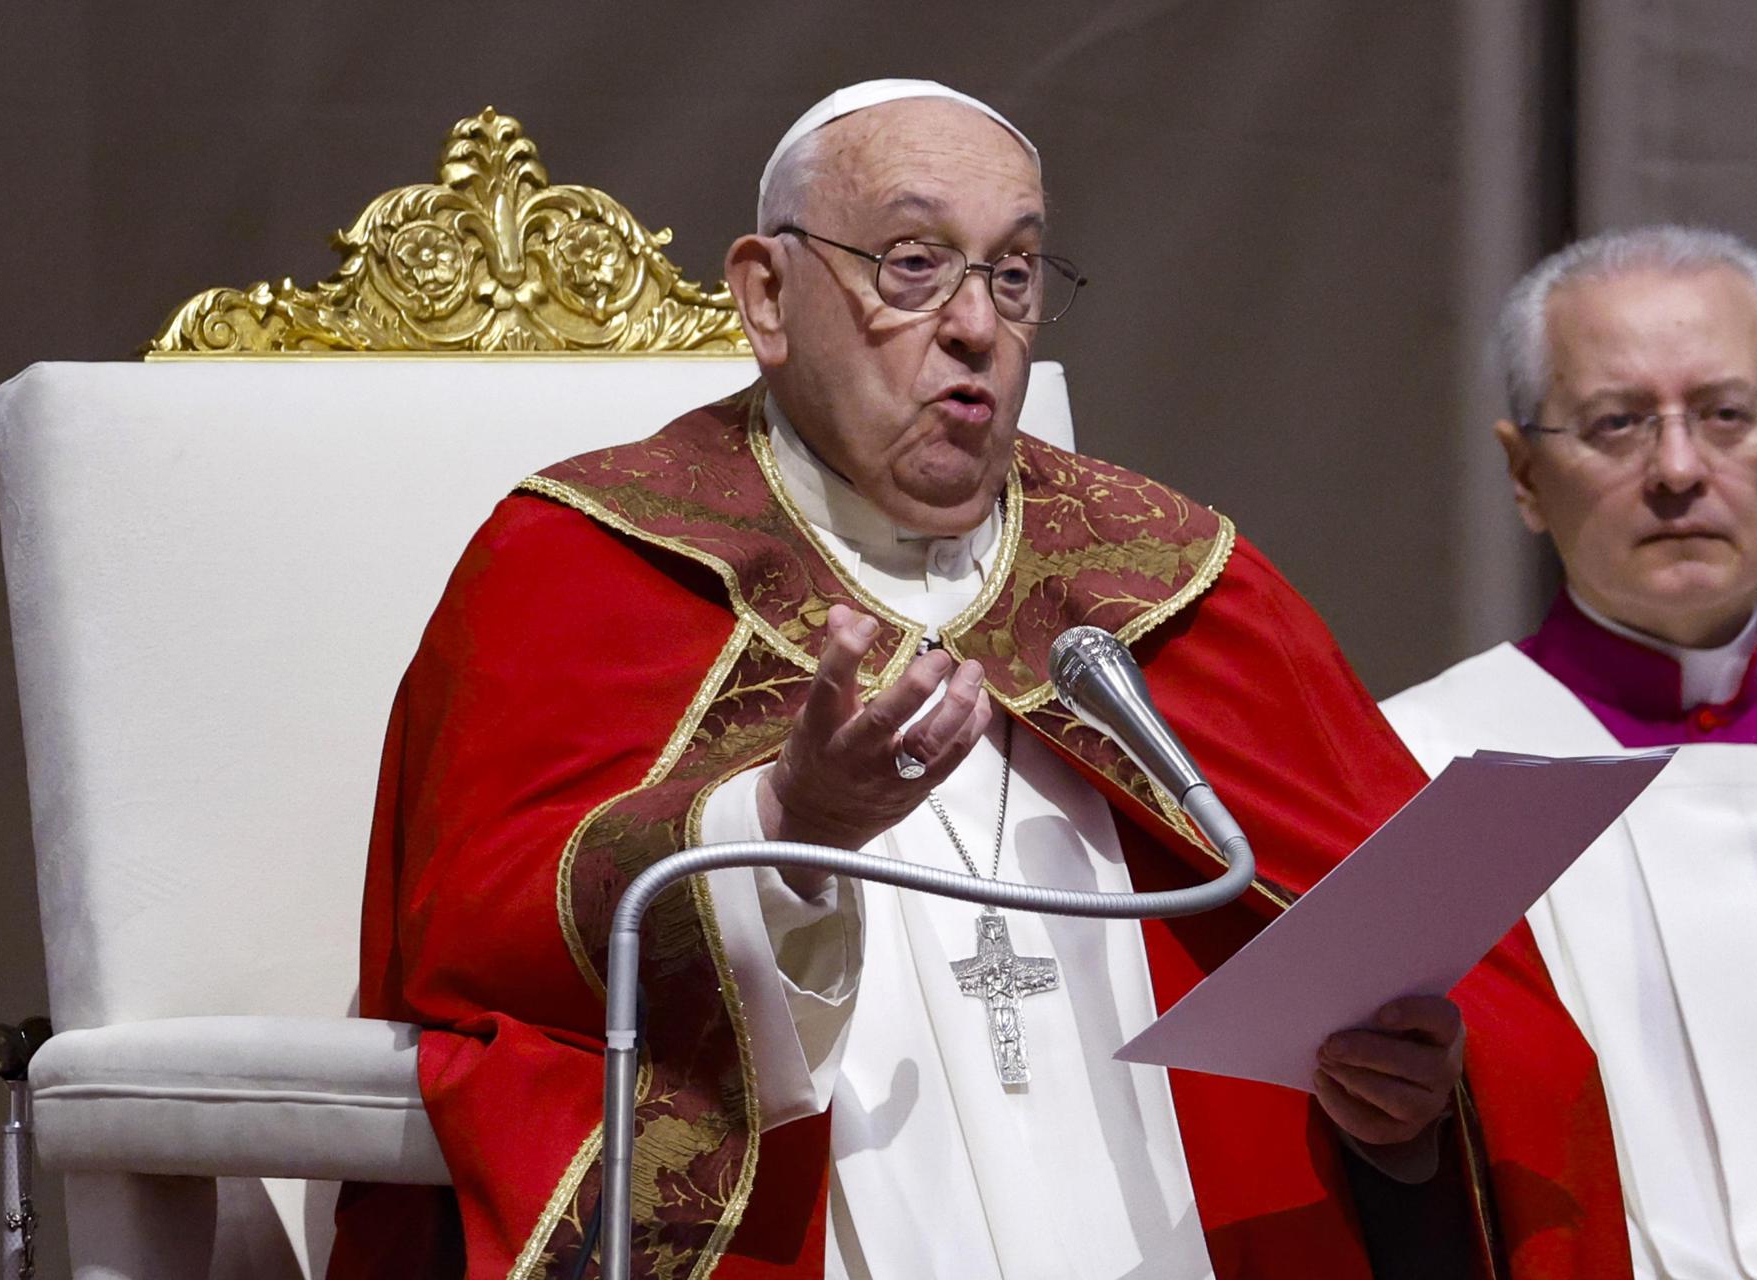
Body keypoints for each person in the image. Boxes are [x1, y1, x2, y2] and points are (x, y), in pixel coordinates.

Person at [329, 81, 1628, 1280]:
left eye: (1014, 274)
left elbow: (1462, 1031)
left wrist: (1398, 1122)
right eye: (912, 263)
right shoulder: (585, 561)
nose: (974, 325)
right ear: (768, 295)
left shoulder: (1175, 580)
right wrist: (784, 833)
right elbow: (482, 947)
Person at [1382, 225, 1757, 1277]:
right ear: (1524, 473)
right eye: (1615, 423)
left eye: (1723, 415)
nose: (1676, 468)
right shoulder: (1414, 767)